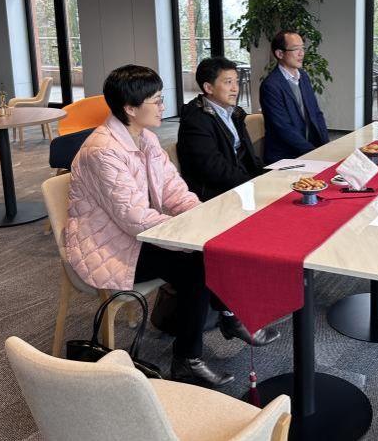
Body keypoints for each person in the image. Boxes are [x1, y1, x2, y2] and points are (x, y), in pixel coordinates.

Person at [65, 65, 277, 388]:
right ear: (130, 108)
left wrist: (200, 218)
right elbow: (135, 217)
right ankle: (189, 358)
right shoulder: (102, 151)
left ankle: (228, 318)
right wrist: (190, 236)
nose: (164, 107)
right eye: (157, 101)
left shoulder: (145, 137)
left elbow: (174, 190)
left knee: (209, 249)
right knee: (198, 263)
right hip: (106, 245)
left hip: (134, 236)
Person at [177, 56, 265, 201]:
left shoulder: (234, 113)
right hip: (216, 194)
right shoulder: (195, 120)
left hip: (240, 184)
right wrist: (251, 184)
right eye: (228, 82)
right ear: (208, 88)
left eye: (236, 81)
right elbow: (214, 168)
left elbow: (248, 155)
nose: (235, 88)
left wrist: (266, 176)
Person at [259, 30, 329, 164]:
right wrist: (313, 153)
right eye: (296, 49)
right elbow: (283, 128)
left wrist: (326, 146)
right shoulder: (270, 86)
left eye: (302, 48)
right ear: (280, 54)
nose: (301, 53)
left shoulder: (303, 77)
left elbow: (316, 113)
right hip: (286, 156)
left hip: (309, 150)